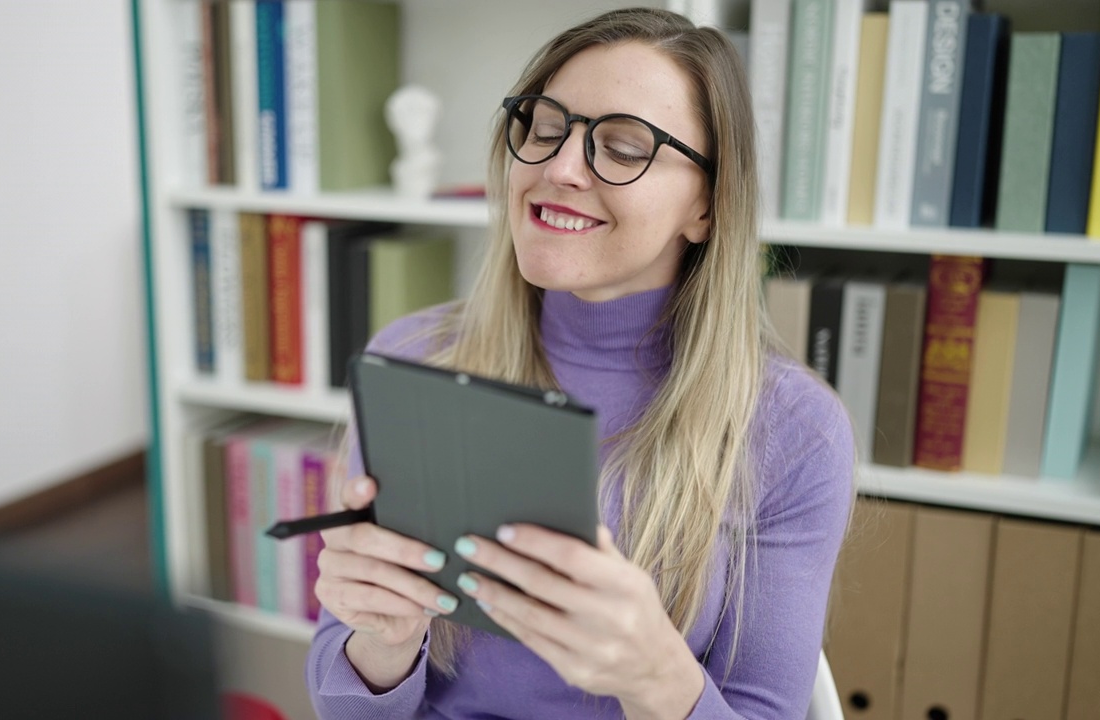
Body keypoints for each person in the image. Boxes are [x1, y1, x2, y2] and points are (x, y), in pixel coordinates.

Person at [305, 7, 855, 719]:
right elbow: (342, 709)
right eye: (544, 127)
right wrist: (383, 642)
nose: (558, 168)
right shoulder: (412, 358)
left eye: (624, 148)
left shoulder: (795, 430)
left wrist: (655, 674)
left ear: (707, 208)